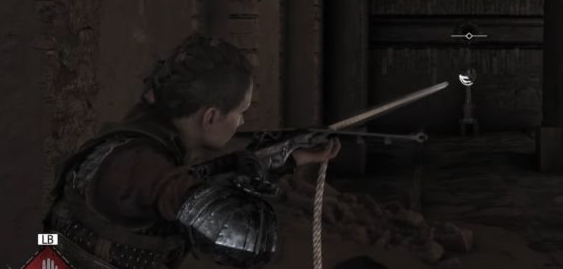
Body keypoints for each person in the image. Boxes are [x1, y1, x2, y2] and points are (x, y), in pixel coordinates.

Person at [43, 34, 340, 269]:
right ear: (210, 117)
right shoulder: (140, 166)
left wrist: (291, 156)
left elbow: (198, 180)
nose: (242, 122)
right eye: (240, 112)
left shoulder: (142, 143)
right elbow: (242, 234)